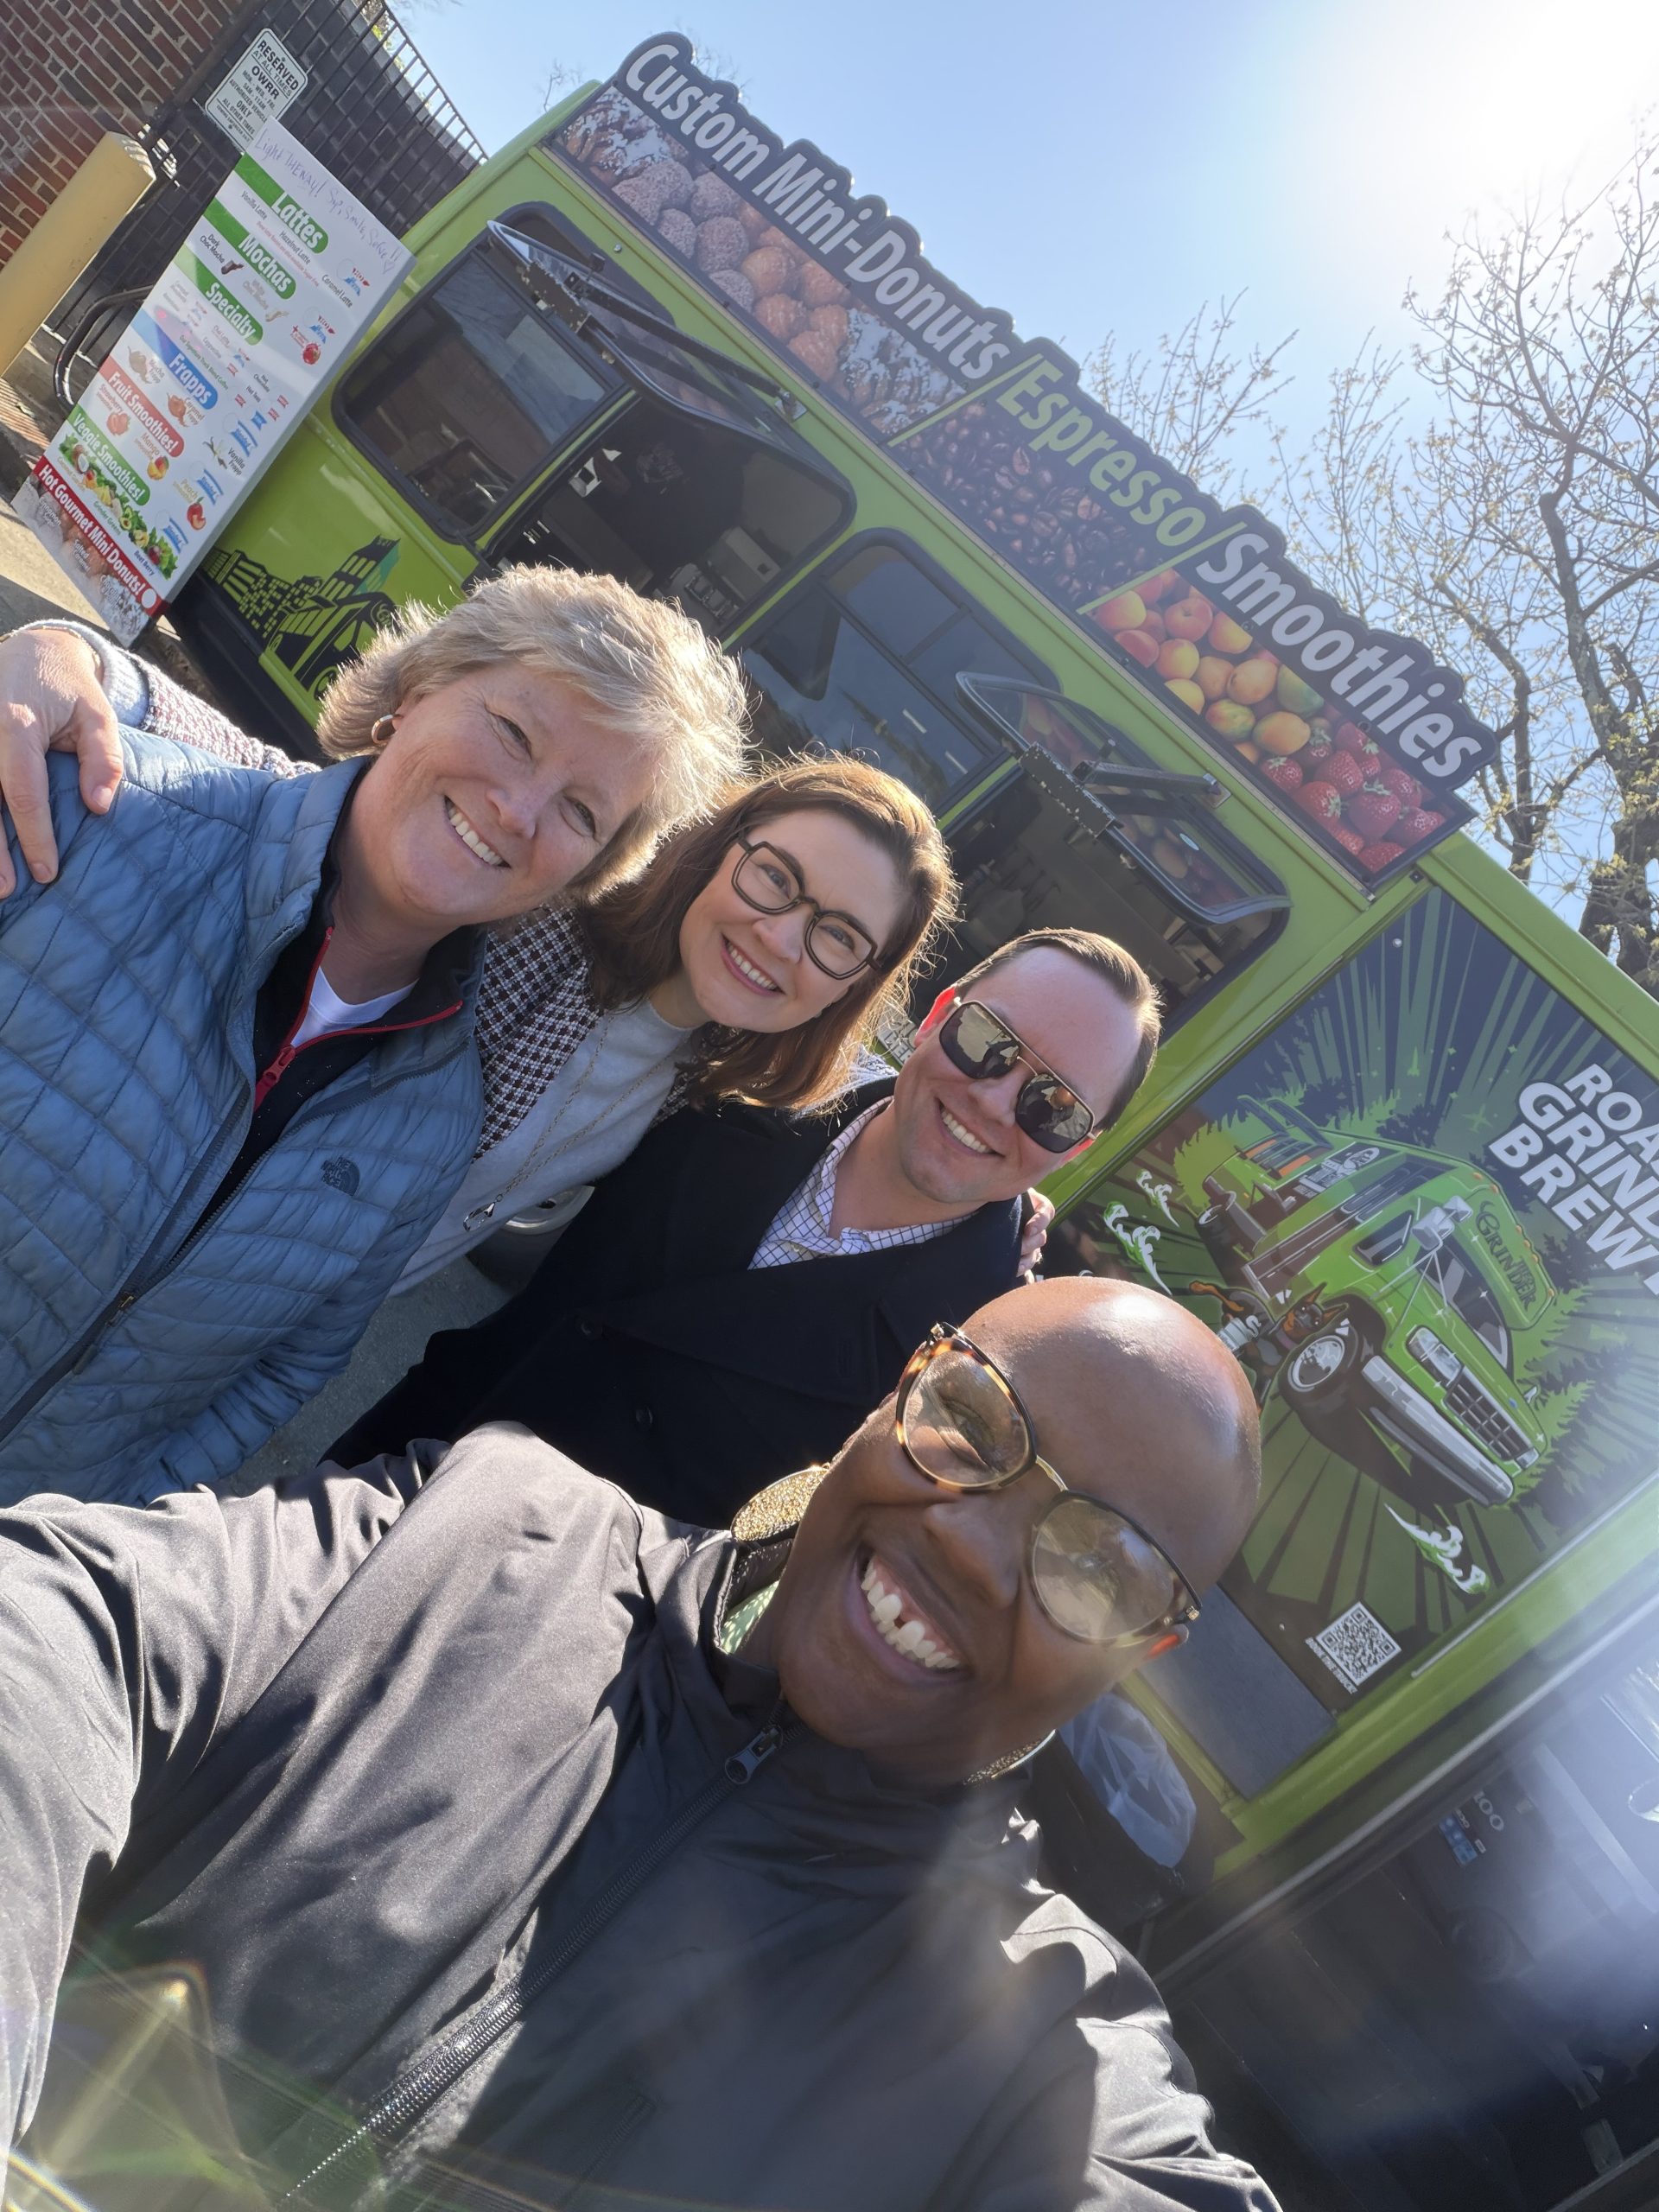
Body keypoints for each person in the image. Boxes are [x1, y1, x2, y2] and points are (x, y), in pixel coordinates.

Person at [0, 1277, 1277, 2212]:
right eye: (976, 1424)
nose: (970, 1544)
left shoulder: (1039, 2045)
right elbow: (70, 1628)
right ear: (899, 1394)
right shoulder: (481, 1529)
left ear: (1143, 1653)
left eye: (1102, 1566)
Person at [0, 569, 747, 1506]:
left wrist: (104, 1509)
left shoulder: (437, 1121)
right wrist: (55, 649)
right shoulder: (89, 821)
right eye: (514, 732)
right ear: (415, 692)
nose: (519, 811)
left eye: (582, 813)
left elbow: (277, 1373)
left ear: (587, 875)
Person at [0, 625, 954, 1293]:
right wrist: (68, 661)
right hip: (136, 1228)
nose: (780, 939)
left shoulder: (708, 1082)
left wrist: (1003, 1193)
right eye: (775, 877)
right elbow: (304, 802)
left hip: (272, 1315)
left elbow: (909, 1104)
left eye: (837, 936)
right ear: (715, 849)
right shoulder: (546, 908)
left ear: (854, 983)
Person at [332, 925, 1161, 1526]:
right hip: (393, 1474)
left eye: (1052, 1107)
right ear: (942, 1009)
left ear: (1076, 1147)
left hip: (535, 1659)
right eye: (989, 1039)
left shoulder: (974, 1371)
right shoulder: (752, 1074)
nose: (991, 1099)